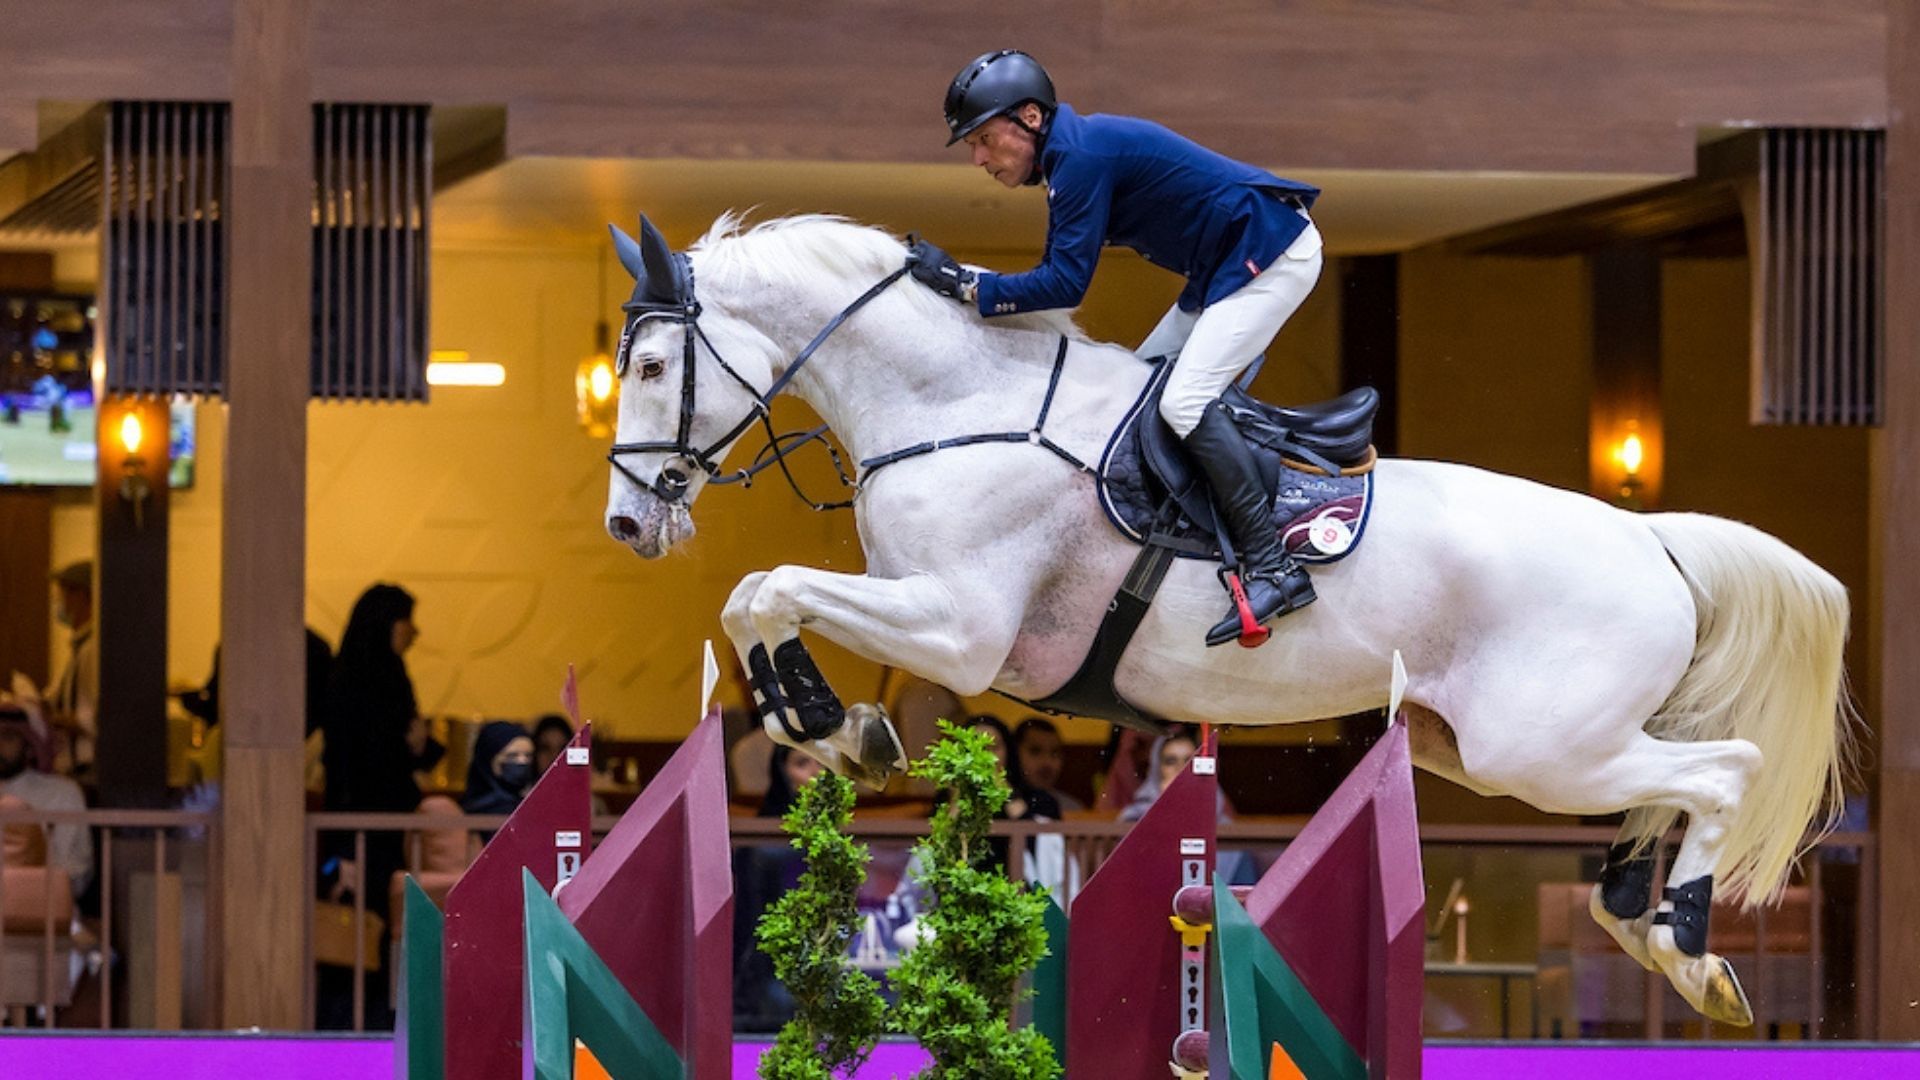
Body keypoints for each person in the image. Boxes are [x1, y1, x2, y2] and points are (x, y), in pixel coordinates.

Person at [910, 50, 1324, 646]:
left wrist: (966, 286)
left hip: (1272, 254)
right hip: (1225, 268)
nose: (978, 159)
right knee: (1136, 391)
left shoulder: (1079, 159)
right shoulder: (1071, 156)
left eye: (982, 138)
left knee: (1182, 405)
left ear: (1029, 117)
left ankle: (1272, 565)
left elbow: (1063, 285)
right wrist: (968, 285)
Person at [315, 583, 441, 1030]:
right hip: (365, 829)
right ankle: (363, 1028)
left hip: (379, 828)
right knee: (363, 929)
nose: (414, 633)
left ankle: (373, 1024)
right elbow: (361, 762)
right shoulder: (361, 680)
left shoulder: (369, 674)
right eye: (407, 621)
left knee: (379, 928)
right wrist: (346, 850)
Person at [0, 710, 92, 898]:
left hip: (43, 911)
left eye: (8, 738)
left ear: (29, 747)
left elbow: (76, 870)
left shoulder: (61, 793)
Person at [44, 561, 98, 777]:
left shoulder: (93, 649)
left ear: (84, 596)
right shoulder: (79, 646)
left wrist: (60, 719)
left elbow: (100, 717)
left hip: (87, 765)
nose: (60, 601)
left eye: (65, 592)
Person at [1012, 716, 1084, 814]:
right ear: (1014, 754)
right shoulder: (999, 806)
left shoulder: (1073, 810)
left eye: (1054, 753)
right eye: (1035, 751)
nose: (1047, 762)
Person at [461, 721, 535, 816]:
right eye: (512, 756)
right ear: (489, 759)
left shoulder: (530, 804)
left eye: (528, 756)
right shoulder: (478, 808)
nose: (522, 761)